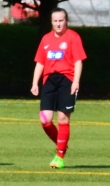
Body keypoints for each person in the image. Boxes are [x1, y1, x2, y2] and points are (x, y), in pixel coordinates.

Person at [31, 8, 86, 169]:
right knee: (45, 119)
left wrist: (76, 82)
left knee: (63, 118)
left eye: (61, 20)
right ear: (51, 22)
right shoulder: (46, 39)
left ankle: (60, 156)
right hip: (49, 80)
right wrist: (35, 83)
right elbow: (40, 63)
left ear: (66, 21)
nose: (58, 24)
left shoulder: (73, 37)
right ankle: (62, 143)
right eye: (55, 21)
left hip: (67, 80)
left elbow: (78, 61)